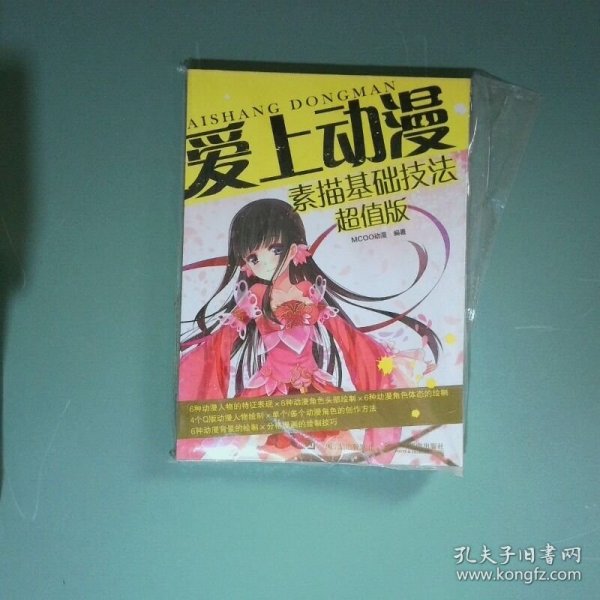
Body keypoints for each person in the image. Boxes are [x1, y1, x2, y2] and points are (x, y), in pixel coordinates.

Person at [178, 198, 440, 462]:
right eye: (254, 257)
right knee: (266, 453)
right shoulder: (256, 294)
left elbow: (345, 336)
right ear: (246, 263)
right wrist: (191, 368)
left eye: (276, 249)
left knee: (339, 451)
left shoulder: (307, 290)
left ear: (294, 249)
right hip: (271, 389)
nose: (265, 263)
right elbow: (223, 340)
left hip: (314, 388)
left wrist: (392, 364)